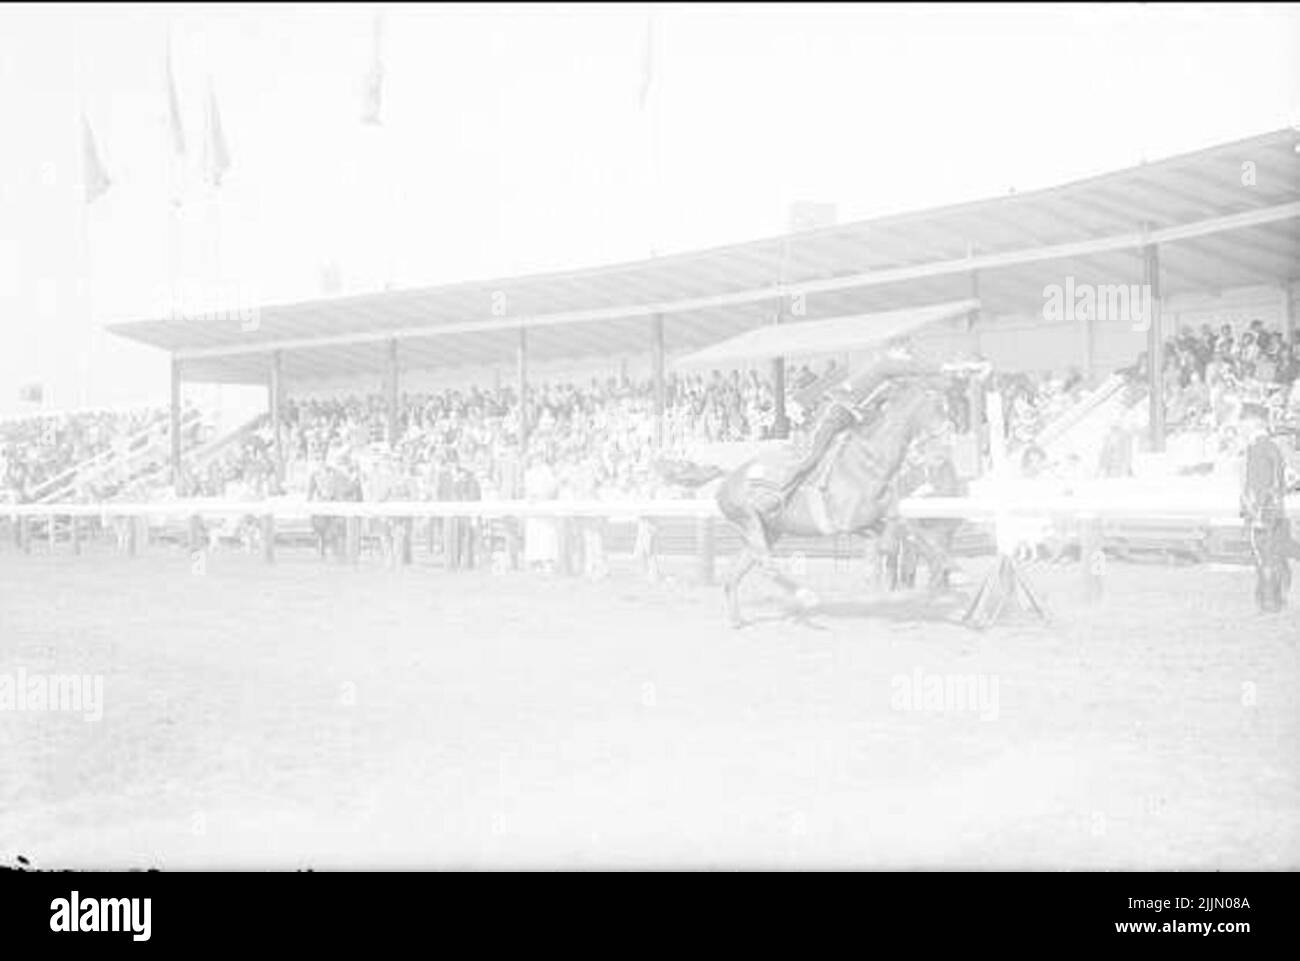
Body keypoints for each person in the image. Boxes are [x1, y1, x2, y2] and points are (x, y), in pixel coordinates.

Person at [779, 343, 943, 502]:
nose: (907, 357)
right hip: (836, 416)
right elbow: (913, 368)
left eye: (908, 354)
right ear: (893, 351)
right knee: (813, 458)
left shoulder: (892, 380)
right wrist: (946, 367)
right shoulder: (883, 365)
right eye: (904, 352)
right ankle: (781, 490)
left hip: (858, 419)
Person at [1239, 404, 1300, 612]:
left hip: (1264, 512)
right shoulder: (1270, 446)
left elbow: (1260, 483)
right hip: (1273, 510)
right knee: (1279, 554)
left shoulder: (1258, 447)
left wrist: (1256, 511)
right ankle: (1278, 598)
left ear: (1254, 422)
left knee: (1265, 559)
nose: (1240, 426)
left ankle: (1269, 602)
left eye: (1243, 421)